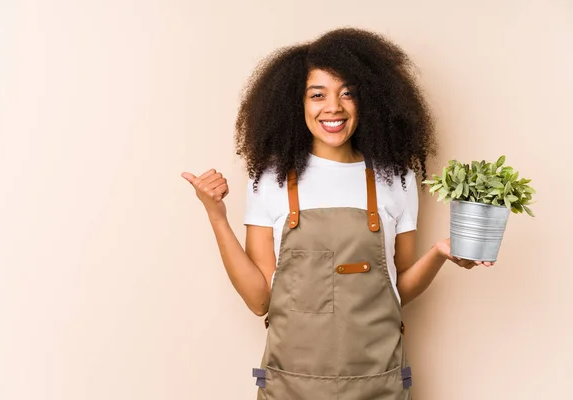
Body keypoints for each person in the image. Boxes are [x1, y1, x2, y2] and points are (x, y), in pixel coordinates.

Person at [181, 27, 494, 400]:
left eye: (349, 93)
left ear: (371, 101)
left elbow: (396, 291)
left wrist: (441, 253)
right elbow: (259, 300)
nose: (334, 107)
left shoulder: (397, 179)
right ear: (295, 103)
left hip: (379, 384)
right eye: (318, 95)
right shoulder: (269, 180)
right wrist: (216, 215)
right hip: (290, 387)